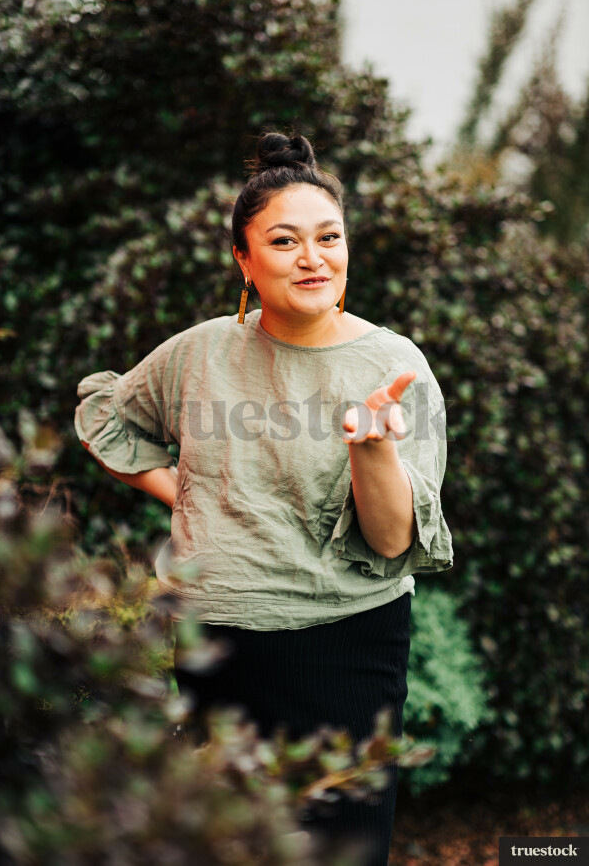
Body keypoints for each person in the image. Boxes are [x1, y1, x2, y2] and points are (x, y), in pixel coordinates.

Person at [74, 131, 453, 865]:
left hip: (347, 646)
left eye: (329, 238)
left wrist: (371, 448)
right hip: (218, 642)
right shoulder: (202, 351)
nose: (312, 257)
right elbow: (107, 419)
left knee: (339, 849)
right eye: (285, 241)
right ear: (244, 260)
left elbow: (389, 541)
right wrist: (189, 495)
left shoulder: (393, 364)